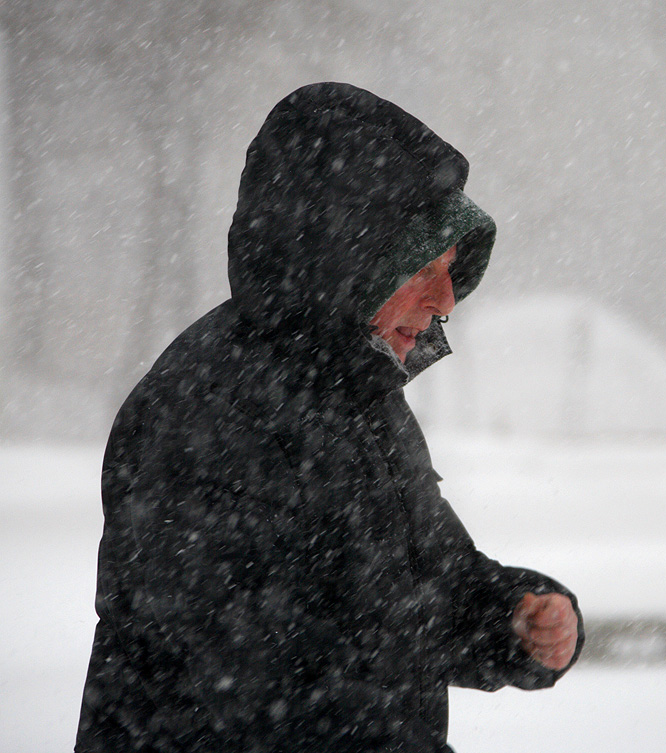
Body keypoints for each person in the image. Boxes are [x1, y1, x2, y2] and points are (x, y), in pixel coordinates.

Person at [75, 82, 583, 753]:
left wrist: (515, 615)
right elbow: (245, 681)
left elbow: (424, 586)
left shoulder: (357, 393)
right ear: (348, 256)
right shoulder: (204, 406)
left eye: (451, 270)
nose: (445, 301)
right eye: (423, 267)